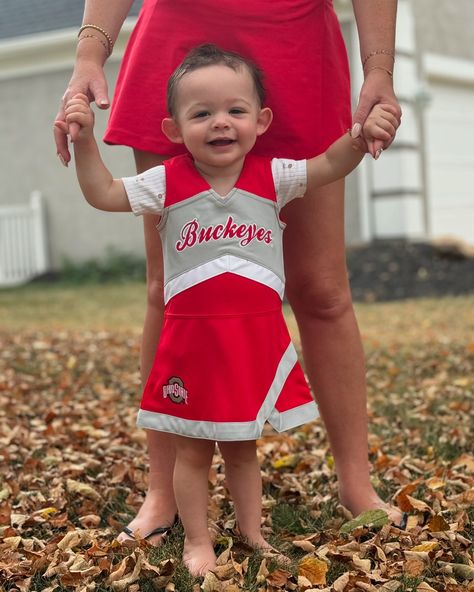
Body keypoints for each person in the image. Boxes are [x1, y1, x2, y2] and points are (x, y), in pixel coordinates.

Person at [54, 0, 404, 545]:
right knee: (169, 288)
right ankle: (163, 491)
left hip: (295, 48)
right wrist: (88, 53)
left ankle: (356, 485)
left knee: (323, 291)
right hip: (177, 38)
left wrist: (378, 69)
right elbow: (103, 194)